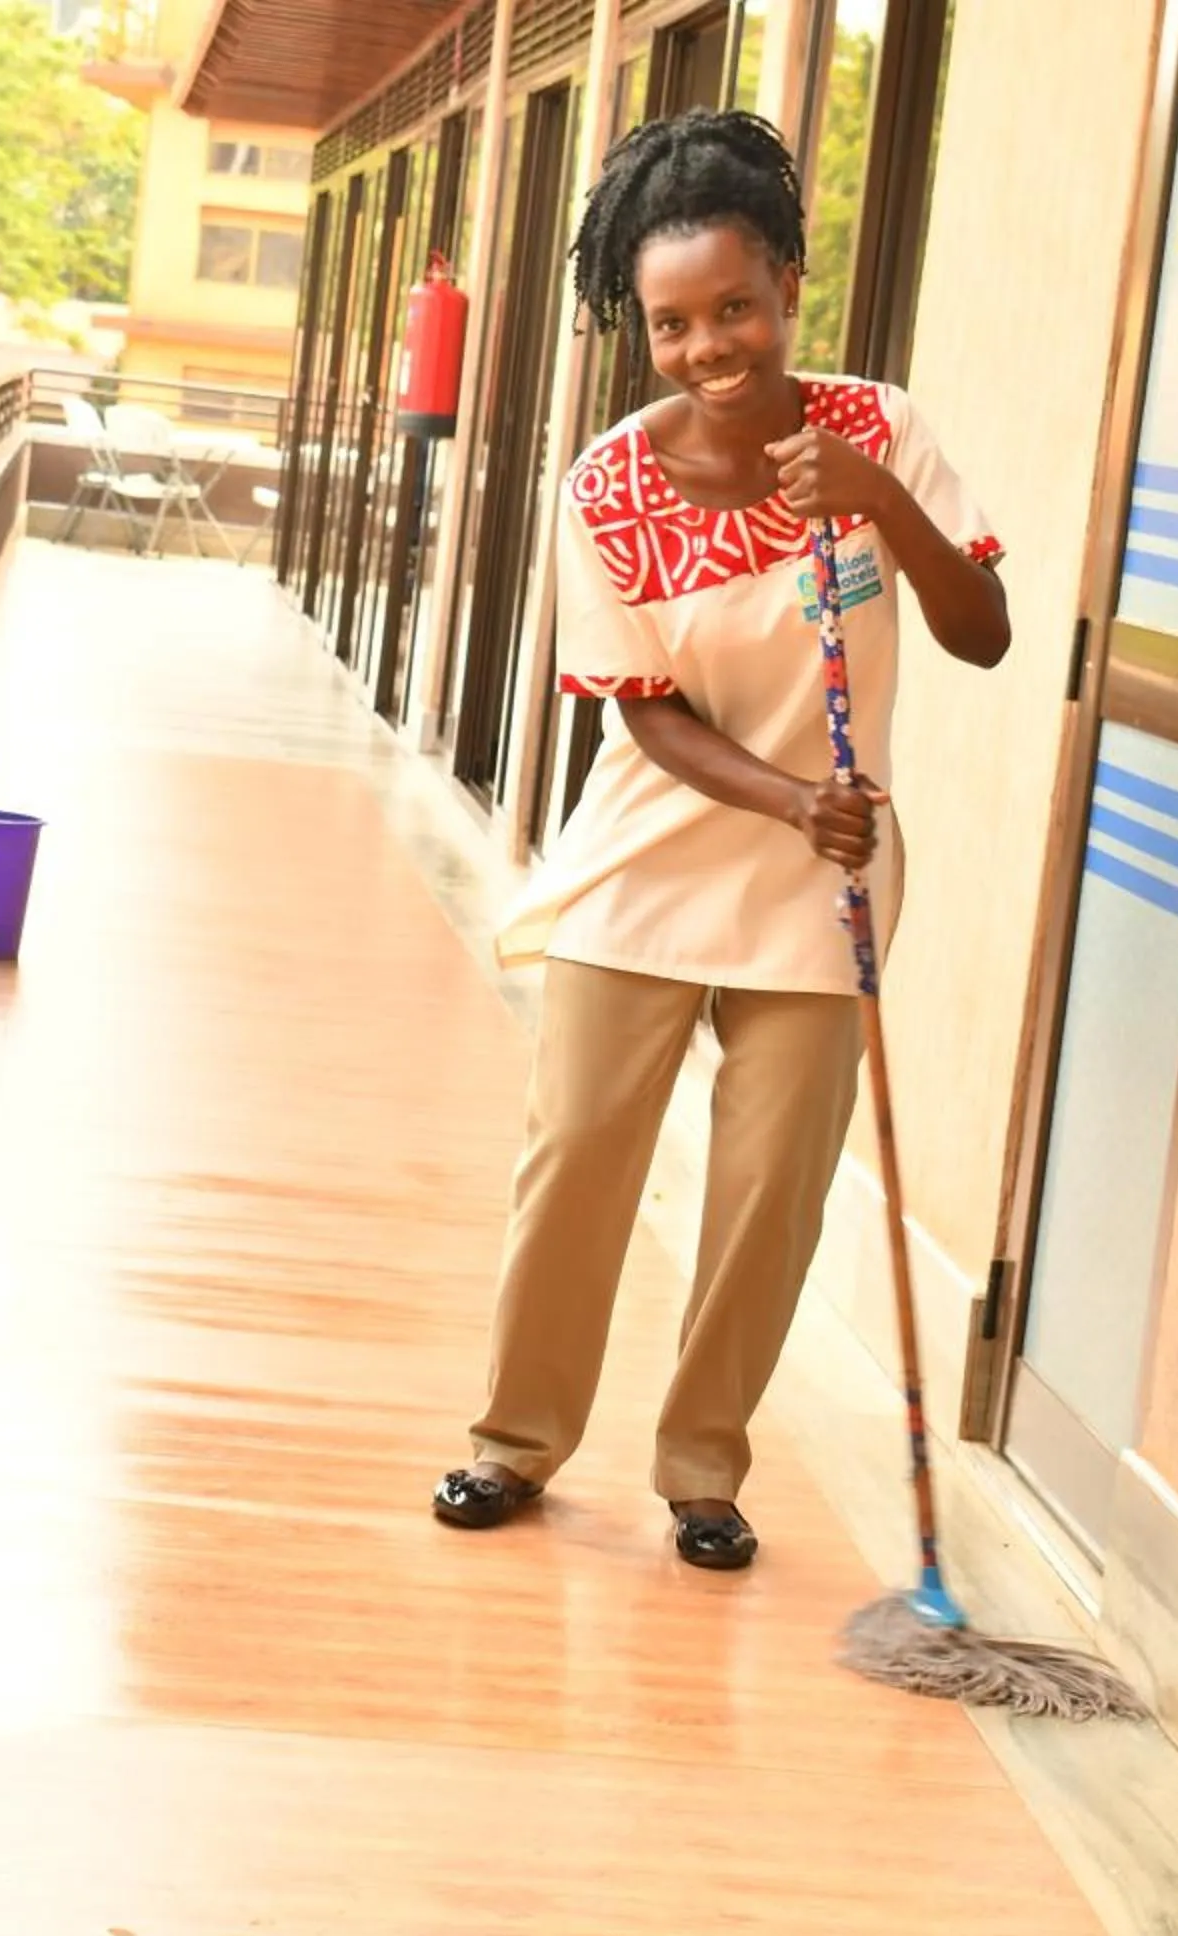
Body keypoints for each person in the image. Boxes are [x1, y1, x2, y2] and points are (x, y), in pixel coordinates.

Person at [430, 109, 1011, 1570]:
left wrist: (878, 502)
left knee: (770, 1191)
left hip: (824, 883)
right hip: (662, 857)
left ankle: (703, 1471)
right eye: (672, 323)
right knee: (579, 1159)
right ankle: (515, 1442)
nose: (708, 347)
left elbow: (984, 632)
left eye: (734, 309)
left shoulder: (880, 432)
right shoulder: (608, 489)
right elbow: (646, 718)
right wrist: (786, 797)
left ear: (790, 286)